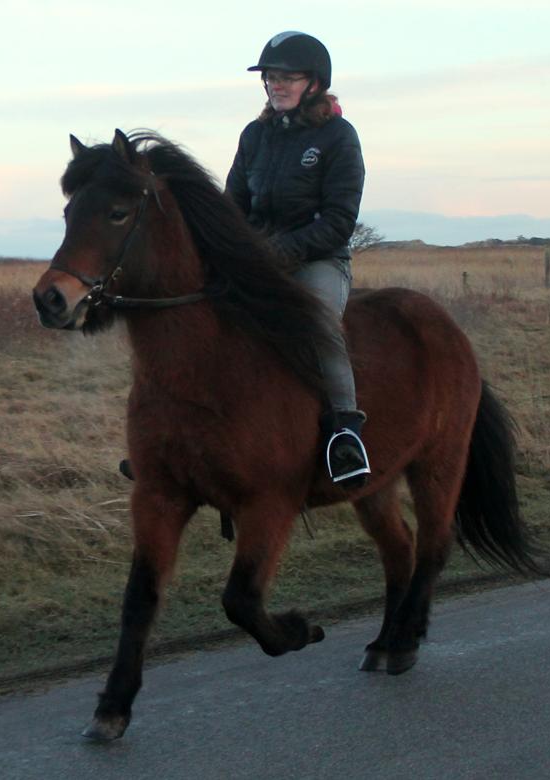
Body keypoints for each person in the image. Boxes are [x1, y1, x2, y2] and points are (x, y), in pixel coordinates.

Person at [225, 31, 370, 487]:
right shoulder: (254, 136)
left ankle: (345, 434)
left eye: (288, 77)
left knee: (320, 326)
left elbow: (339, 220)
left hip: (318, 260)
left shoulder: (338, 137)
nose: (276, 85)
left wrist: (280, 252)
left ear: (315, 83)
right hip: (258, 259)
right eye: (271, 77)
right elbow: (233, 206)